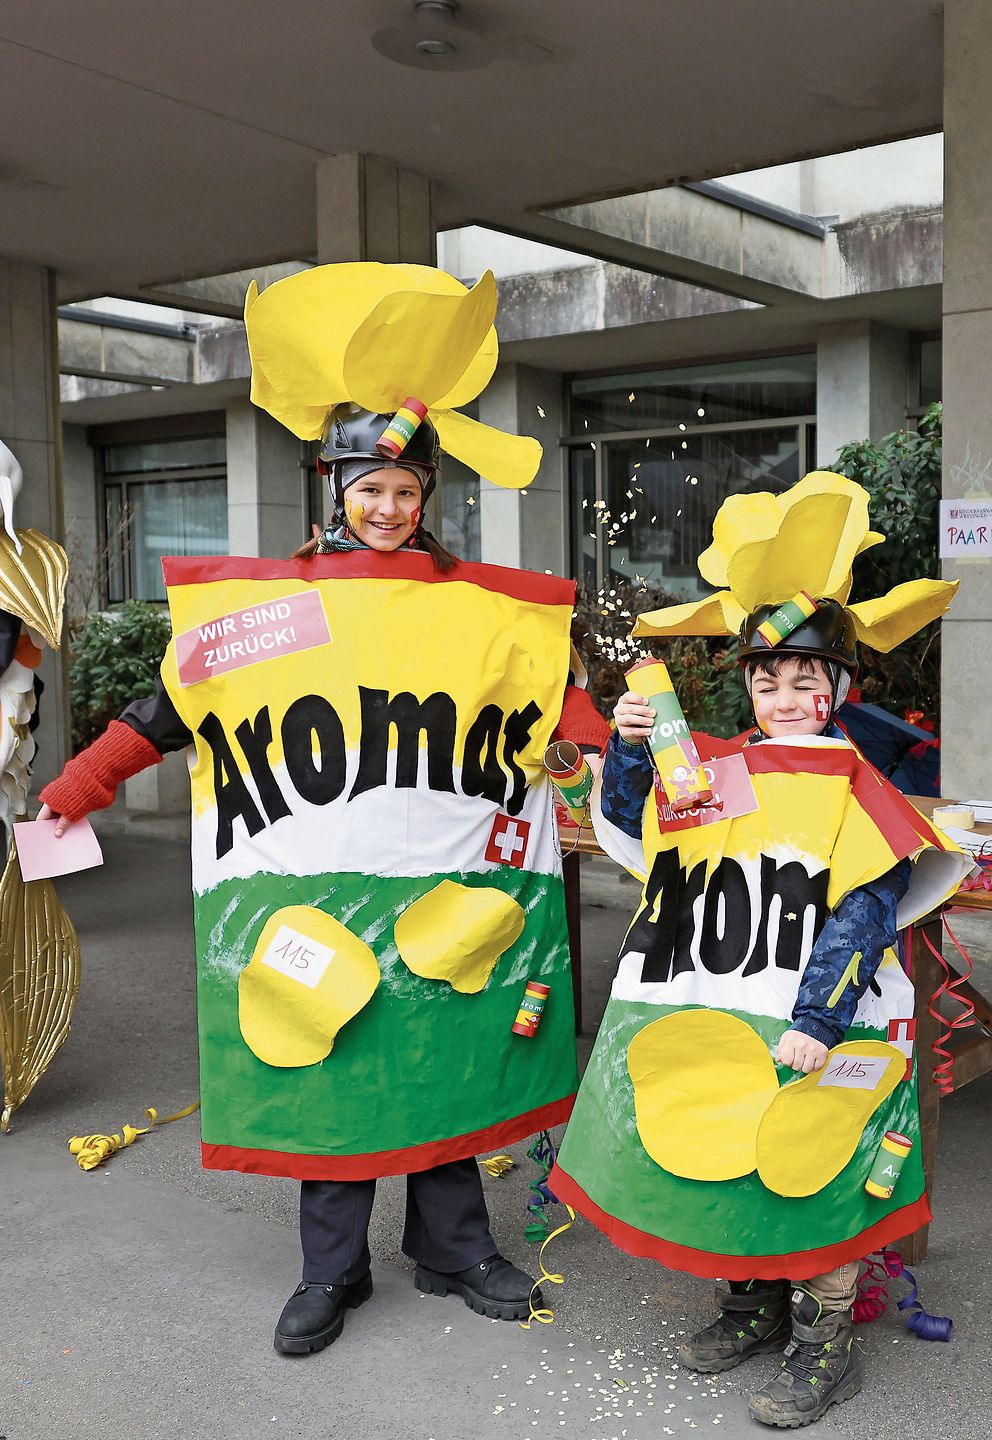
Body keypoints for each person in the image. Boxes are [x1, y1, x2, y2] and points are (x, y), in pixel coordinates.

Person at [40, 397, 608, 1355]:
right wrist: (76, 786)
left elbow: (560, 694)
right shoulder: (271, 609)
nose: (387, 507)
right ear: (336, 490)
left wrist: (588, 750)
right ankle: (330, 1270)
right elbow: (172, 707)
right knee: (331, 1062)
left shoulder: (480, 608)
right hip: (309, 889)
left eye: (405, 489)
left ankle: (454, 1251)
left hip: (454, 886)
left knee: (447, 1063)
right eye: (370, 488)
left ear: (427, 495)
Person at [549, 473, 969, 1428]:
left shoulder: (858, 781)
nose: (786, 696)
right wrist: (626, 746)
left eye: (806, 680)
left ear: (838, 689)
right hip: (726, 1002)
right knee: (730, 1148)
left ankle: (825, 1347)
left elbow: (866, 907)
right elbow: (638, 821)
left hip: (825, 1017)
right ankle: (751, 1306)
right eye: (768, 680)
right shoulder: (721, 769)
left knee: (813, 1166)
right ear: (747, 687)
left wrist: (820, 1019)